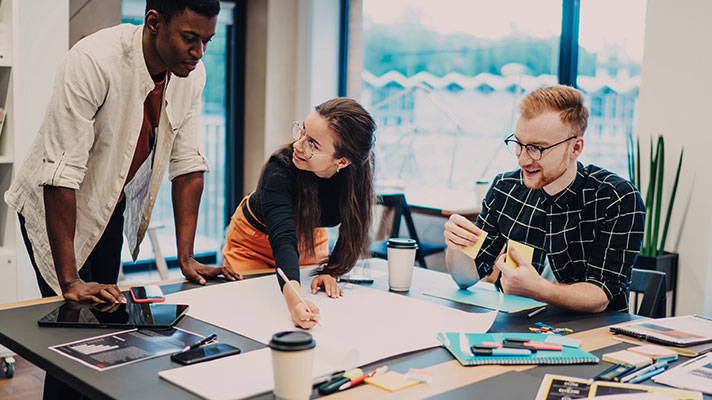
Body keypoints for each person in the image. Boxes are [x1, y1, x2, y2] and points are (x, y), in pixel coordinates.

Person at [5, 0, 239, 306]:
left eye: (207, 41)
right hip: (56, 201)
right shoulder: (93, 60)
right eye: (190, 39)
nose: (199, 53)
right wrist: (71, 281)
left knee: (108, 306)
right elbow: (60, 173)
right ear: (154, 22)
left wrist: (187, 258)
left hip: (110, 201)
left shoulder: (192, 75)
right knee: (74, 312)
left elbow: (188, 165)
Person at [444, 85, 645, 313]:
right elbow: (467, 278)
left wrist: (538, 288)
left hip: (591, 333)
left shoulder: (616, 197)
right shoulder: (505, 188)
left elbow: (602, 295)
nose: (522, 160)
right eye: (518, 144)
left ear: (575, 147)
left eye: (537, 148)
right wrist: (457, 245)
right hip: (515, 326)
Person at [222, 97, 376, 328]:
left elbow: (354, 226)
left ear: (342, 162)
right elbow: (283, 239)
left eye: (313, 143)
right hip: (253, 243)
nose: (298, 145)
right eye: (302, 131)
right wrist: (294, 299)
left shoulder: (356, 174)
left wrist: (332, 271)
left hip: (309, 242)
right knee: (249, 313)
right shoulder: (279, 169)